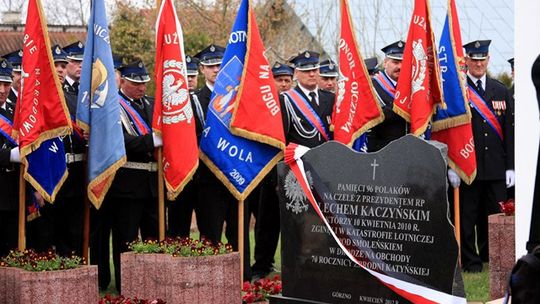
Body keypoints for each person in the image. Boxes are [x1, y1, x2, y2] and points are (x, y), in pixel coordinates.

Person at [94, 60, 161, 291]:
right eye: (135, 83)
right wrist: (151, 141)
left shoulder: (152, 105)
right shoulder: (113, 107)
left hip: (153, 184)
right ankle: (126, 284)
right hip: (127, 184)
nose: (141, 87)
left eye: (143, 83)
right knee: (126, 238)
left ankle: (153, 282)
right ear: (122, 81)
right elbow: (118, 141)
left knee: (154, 237)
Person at [455, 40, 513, 273]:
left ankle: (493, 258)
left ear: (488, 60)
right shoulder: (458, 91)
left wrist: (511, 167)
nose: (478, 64)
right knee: (468, 219)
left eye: (482, 59)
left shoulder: (501, 91)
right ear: (466, 61)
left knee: (496, 216)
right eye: (474, 59)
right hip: (469, 166)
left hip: (497, 167)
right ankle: (472, 262)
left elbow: (510, 131)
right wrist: (453, 165)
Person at [194, 44, 251, 280]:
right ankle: (211, 280)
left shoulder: (241, 96)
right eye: (211, 66)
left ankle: (242, 279)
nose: (216, 70)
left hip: (239, 174)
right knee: (210, 233)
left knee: (240, 233)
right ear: (202, 70)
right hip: (209, 178)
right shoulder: (195, 99)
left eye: (220, 65)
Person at [249, 61, 294, 280]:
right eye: (279, 80)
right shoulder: (261, 104)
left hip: (289, 172)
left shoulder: (293, 104)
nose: (284, 85)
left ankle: (292, 267)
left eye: (287, 80)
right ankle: (261, 266)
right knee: (266, 223)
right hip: (264, 172)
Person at [166, 54, 202, 238]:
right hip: (179, 169)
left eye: (192, 76)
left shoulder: (205, 99)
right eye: (185, 76)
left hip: (203, 171)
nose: (189, 80)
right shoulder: (170, 103)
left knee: (207, 226)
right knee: (178, 224)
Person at [280, 50, 335, 148]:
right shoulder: (285, 100)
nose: (312, 74)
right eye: (306, 71)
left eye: (315, 70)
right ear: (296, 73)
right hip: (301, 160)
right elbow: (282, 137)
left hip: (328, 159)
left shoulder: (331, 98)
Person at [367, 40, 408, 152]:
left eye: (402, 62)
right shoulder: (372, 86)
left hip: (408, 152)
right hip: (380, 151)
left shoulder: (412, 87)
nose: (399, 66)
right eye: (395, 62)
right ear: (385, 63)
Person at [0, 58, 21, 256]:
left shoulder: (16, 111)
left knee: (11, 248)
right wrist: (9, 155)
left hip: (14, 191)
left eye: (6, 84)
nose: (2, 89)